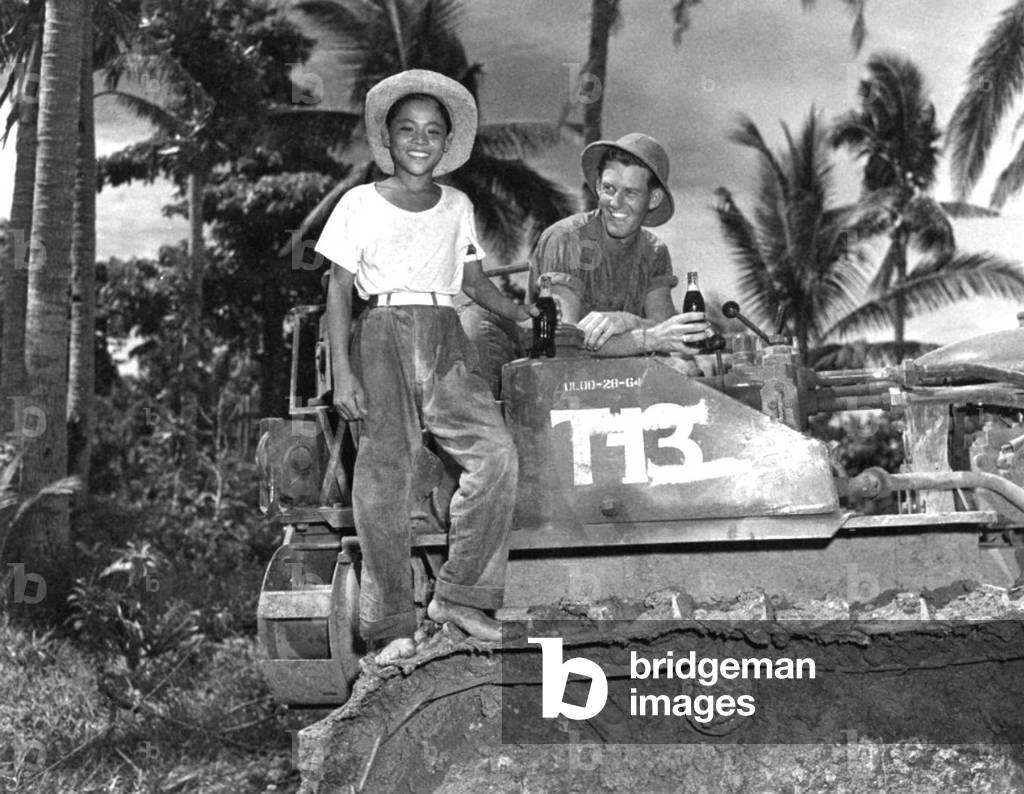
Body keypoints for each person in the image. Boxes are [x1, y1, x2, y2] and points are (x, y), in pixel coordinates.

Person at [314, 70, 534, 665]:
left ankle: (460, 594)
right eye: (407, 129)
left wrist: (518, 313)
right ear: (387, 138)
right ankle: (390, 627)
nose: (420, 140)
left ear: (446, 144)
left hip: (445, 336)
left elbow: (471, 282)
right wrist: (343, 373)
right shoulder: (358, 203)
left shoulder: (458, 205)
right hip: (380, 333)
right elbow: (338, 289)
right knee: (384, 479)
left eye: (433, 131)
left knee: (495, 455)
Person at [461, 132, 711, 397]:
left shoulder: (655, 251)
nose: (615, 203)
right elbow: (564, 343)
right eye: (609, 189)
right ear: (598, 187)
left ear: (654, 199)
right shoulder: (567, 238)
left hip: (592, 365)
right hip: (513, 348)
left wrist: (629, 320)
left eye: (631, 193)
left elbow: (665, 328)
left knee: (683, 369)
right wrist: (648, 336)